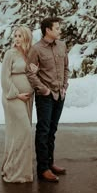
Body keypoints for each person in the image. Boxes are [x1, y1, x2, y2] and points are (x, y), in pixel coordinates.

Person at [26, 17, 69, 183]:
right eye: (57, 28)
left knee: (52, 130)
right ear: (47, 30)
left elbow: (66, 67)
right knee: (43, 132)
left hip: (60, 94)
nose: (60, 31)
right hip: (45, 97)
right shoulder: (36, 49)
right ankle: (43, 169)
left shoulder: (62, 45)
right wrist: (43, 89)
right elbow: (30, 73)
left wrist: (65, 86)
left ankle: (50, 164)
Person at [1, 26, 36, 183]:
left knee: (18, 134)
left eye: (19, 35)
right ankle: (14, 173)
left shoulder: (30, 54)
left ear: (26, 37)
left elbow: (31, 74)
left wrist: (35, 71)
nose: (16, 38)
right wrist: (16, 94)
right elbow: (4, 78)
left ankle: (20, 171)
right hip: (12, 97)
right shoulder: (10, 54)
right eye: (15, 35)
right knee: (25, 131)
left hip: (28, 97)